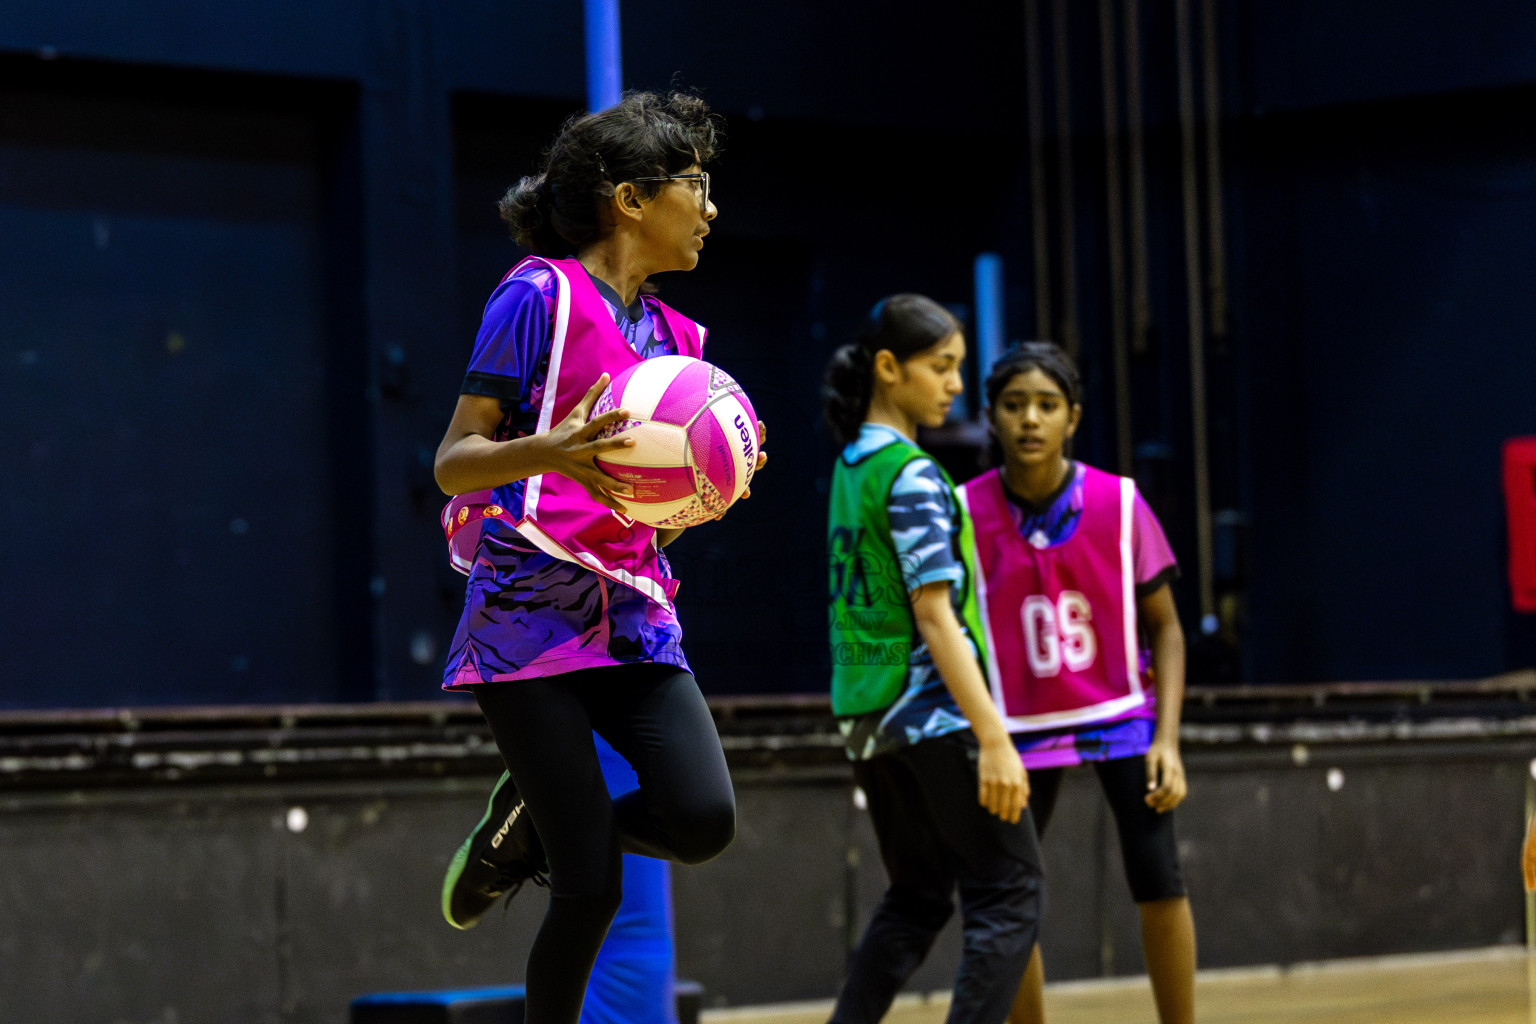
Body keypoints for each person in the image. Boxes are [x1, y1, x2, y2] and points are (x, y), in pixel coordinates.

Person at [432, 90, 762, 1024]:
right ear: (629, 198)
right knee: (594, 886)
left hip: (632, 611)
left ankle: (524, 829)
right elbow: (454, 462)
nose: (708, 208)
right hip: (525, 617)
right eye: (693, 186)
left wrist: (712, 490)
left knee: (702, 823)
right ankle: (554, 840)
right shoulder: (537, 295)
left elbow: (654, 523)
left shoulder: (680, 346)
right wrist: (551, 450)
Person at [956, 343, 1195, 1024]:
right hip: (1017, 732)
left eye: (1047, 405)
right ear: (991, 418)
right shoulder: (963, 512)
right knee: (1010, 893)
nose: (1030, 419)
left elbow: (1168, 630)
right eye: (1014, 405)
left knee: (1159, 877)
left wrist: (1169, 740)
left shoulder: (1120, 502)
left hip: (1120, 715)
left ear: (1073, 418)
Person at [822, 295, 1044, 1024]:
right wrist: (993, 736)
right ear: (890, 369)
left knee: (917, 898)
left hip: (866, 718)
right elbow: (935, 617)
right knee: (1009, 895)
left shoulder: (851, 465)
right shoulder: (913, 474)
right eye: (942, 367)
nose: (956, 385)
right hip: (930, 720)